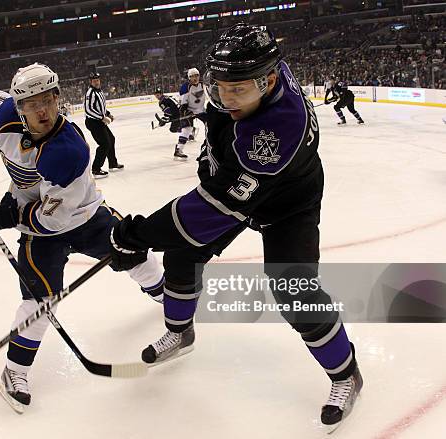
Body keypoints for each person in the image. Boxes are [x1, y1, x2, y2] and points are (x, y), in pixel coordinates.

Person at [108, 24, 363, 430]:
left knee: (293, 289)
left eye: (238, 90)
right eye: (221, 88)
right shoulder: (264, 72)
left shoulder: (275, 132)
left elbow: (206, 211)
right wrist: (205, 112)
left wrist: (136, 234)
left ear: (270, 81)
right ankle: (181, 333)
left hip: (288, 203)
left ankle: (346, 373)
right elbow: (227, 113)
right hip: (251, 182)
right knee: (181, 255)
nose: (227, 99)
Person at [0, 63, 164, 414]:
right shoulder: (3, 113)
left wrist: (3, 216)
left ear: (58, 97)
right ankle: (15, 372)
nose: (41, 110)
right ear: (18, 107)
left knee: (133, 253)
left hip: (83, 217)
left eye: (48, 100)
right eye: (31, 103)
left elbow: (53, 220)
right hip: (37, 228)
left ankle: (164, 295)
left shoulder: (67, 150)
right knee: (39, 301)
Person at [84, 71, 123, 178]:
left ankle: (112, 164)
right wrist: (102, 118)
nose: (96, 82)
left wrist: (108, 114)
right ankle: (96, 169)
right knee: (104, 144)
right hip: (93, 122)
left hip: (99, 121)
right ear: (90, 82)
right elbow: (88, 110)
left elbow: (100, 108)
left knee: (111, 139)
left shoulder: (99, 91)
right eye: (94, 81)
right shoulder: (90, 93)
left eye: (98, 80)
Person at [153, 87, 188, 160]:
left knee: (173, 129)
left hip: (177, 114)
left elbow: (170, 111)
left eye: (158, 94)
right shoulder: (166, 98)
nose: (157, 96)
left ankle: (188, 133)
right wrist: (165, 118)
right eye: (156, 95)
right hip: (178, 112)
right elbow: (170, 110)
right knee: (174, 129)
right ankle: (187, 131)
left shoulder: (162, 101)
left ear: (161, 94)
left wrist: (165, 119)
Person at [179, 67, 208, 143]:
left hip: (201, 110)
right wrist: (185, 112)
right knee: (186, 129)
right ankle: (178, 150)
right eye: (192, 76)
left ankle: (209, 141)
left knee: (210, 123)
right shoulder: (185, 87)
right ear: (189, 77)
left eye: (197, 75)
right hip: (189, 111)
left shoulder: (203, 84)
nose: (195, 78)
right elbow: (183, 103)